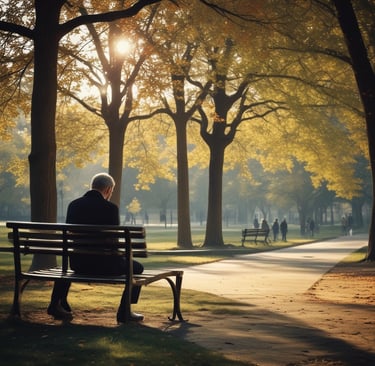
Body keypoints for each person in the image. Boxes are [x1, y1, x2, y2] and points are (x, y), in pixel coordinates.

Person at [47, 173, 144, 323]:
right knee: (137, 268)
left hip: (78, 264)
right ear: (108, 189)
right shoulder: (110, 208)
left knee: (64, 271)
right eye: (111, 191)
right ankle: (125, 311)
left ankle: (56, 304)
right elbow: (113, 242)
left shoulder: (73, 205)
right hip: (105, 266)